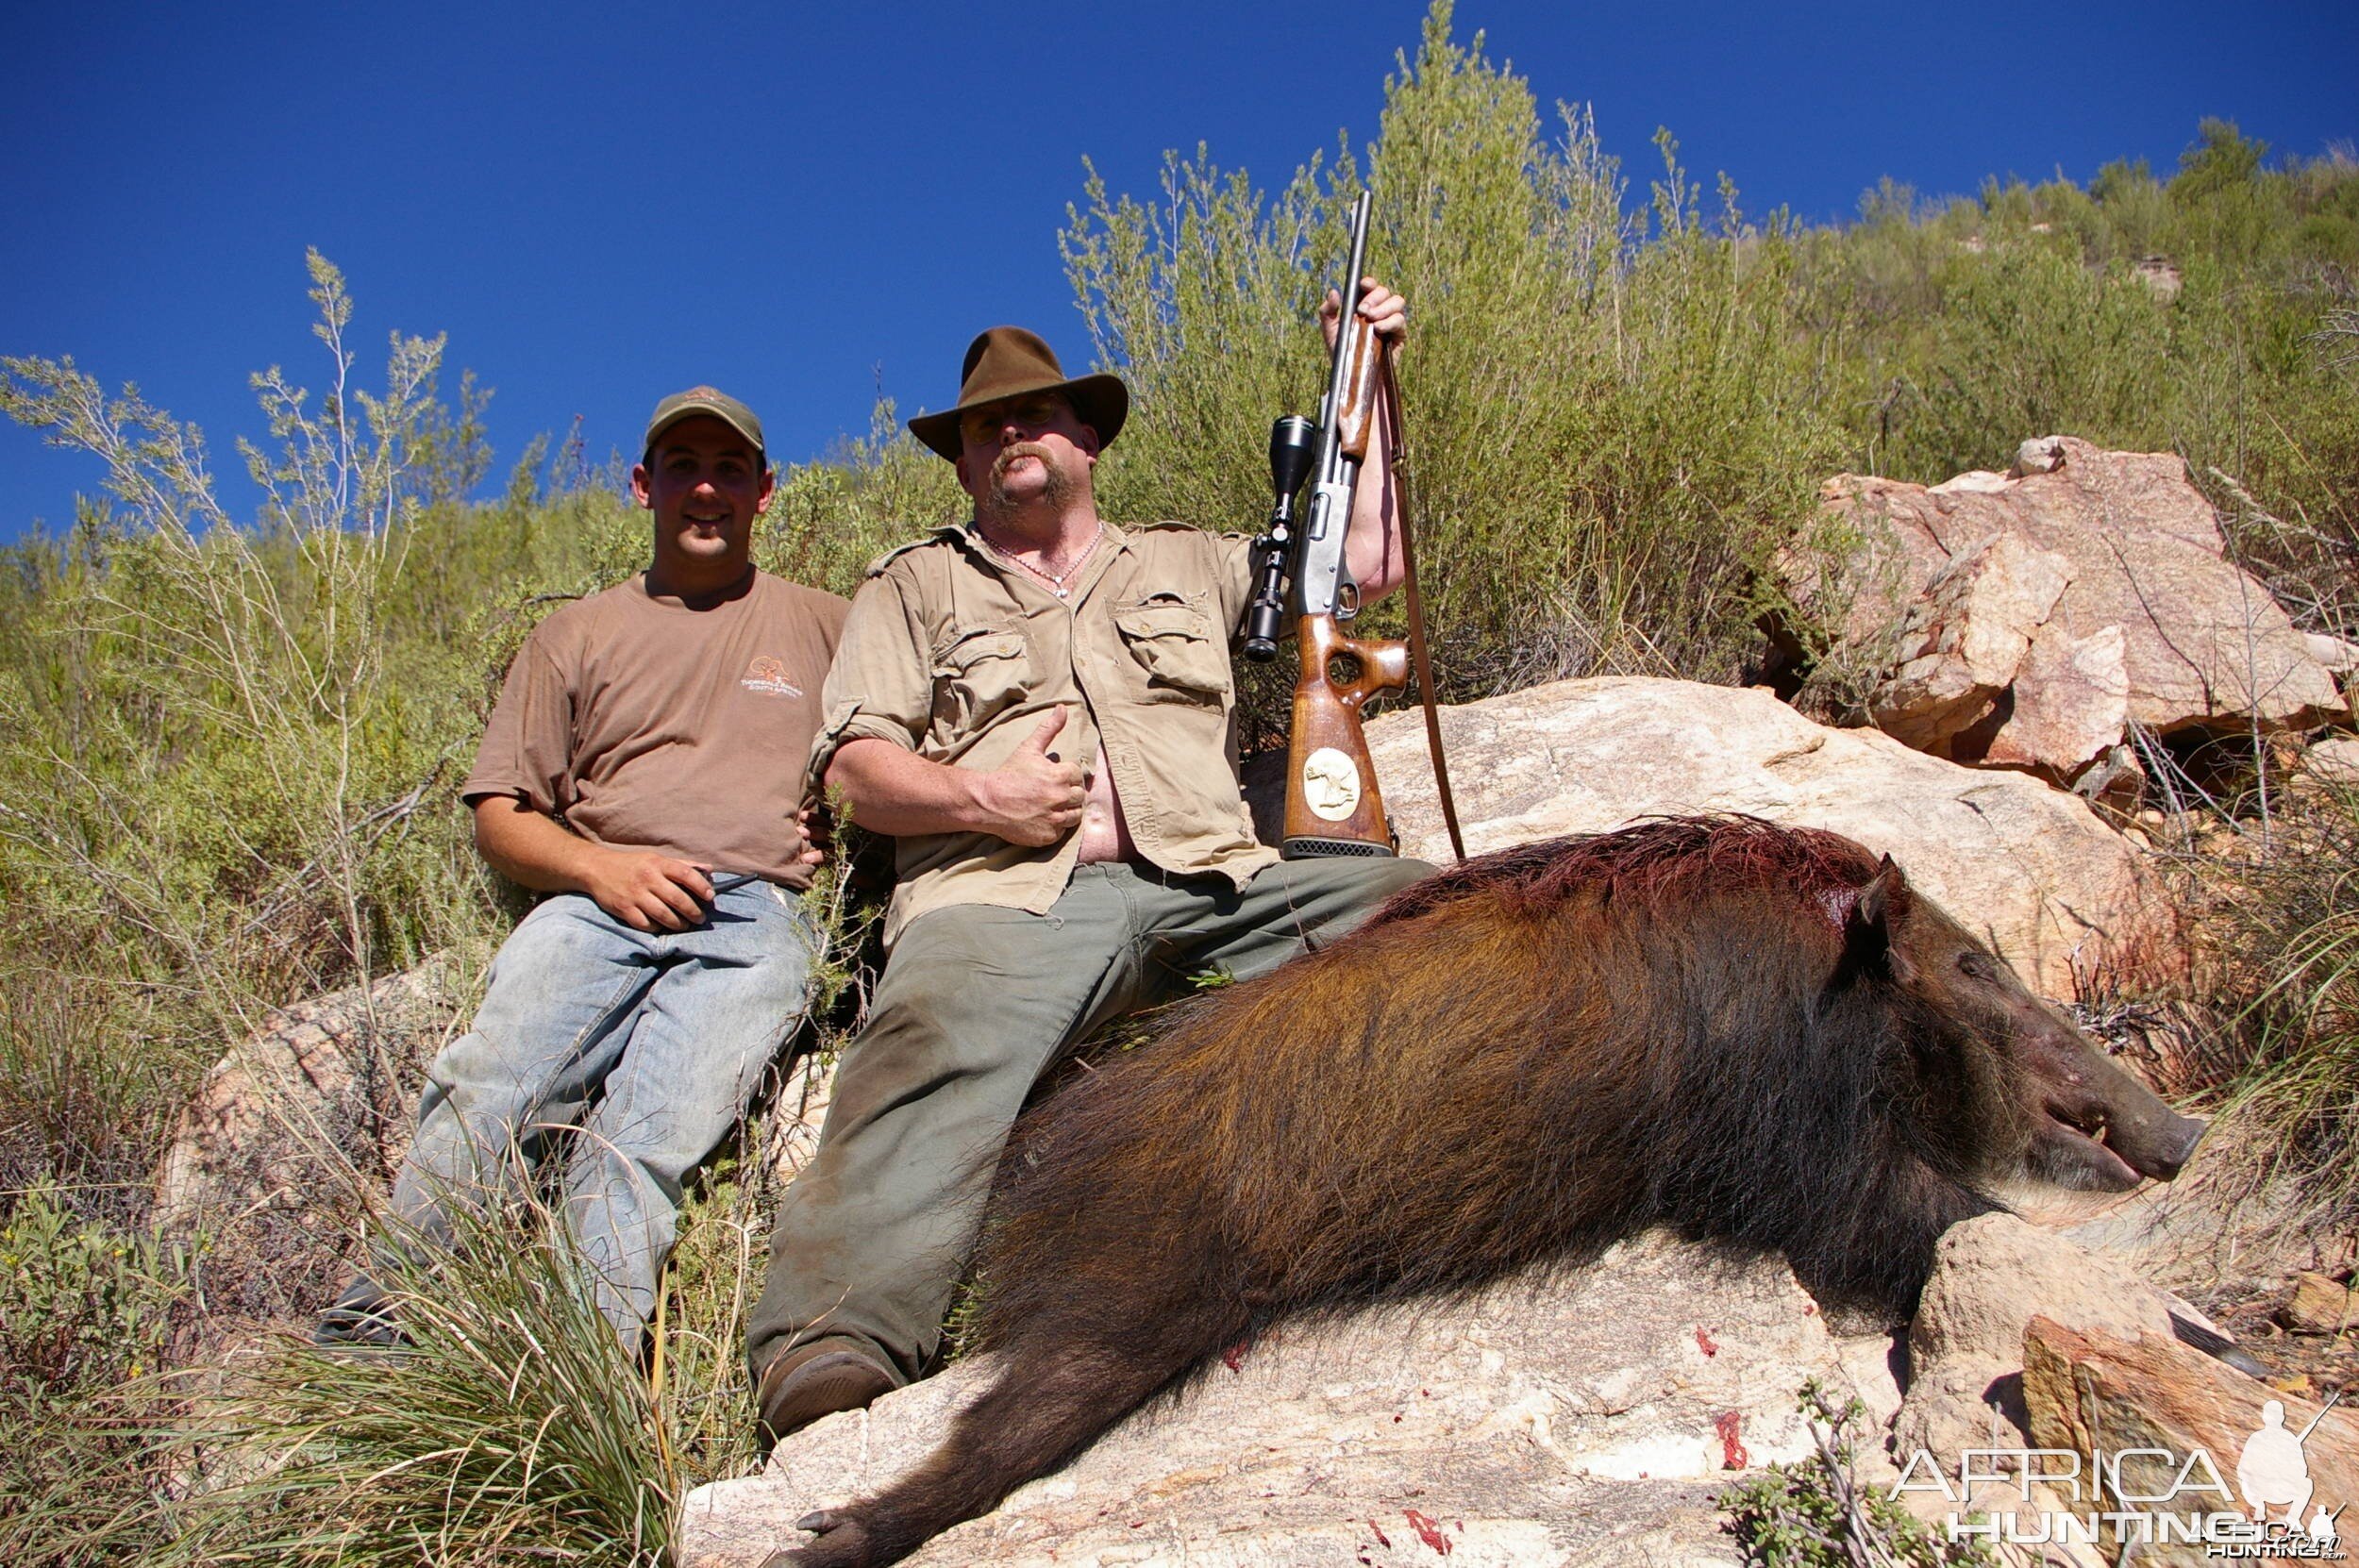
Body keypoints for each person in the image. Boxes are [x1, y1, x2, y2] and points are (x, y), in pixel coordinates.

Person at [744, 284, 1430, 1441]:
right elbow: (855, 770)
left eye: (1040, 414)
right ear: (962, 466)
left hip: (1220, 880)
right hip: (1003, 900)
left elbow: (1370, 566)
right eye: (984, 427)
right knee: (927, 1045)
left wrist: (1362, 382)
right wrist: (985, 797)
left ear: (1089, 438)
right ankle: (836, 1346)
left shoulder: (1195, 563)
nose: (1013, 433)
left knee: (1428, 920)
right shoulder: (914, 585)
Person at [318, 387, 851, 1347]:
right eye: (683, 467)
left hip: (758, 919)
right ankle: (374, 1342)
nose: (705, 488)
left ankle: (581, 1395)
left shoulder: (827, 625)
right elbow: (500, 815)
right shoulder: (575, 633)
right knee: (493, 1093)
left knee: (638, 1147)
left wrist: (847, 817)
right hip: (592, 906)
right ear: (644, 485)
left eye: (729, 469)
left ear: (765, 493)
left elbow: (896, 745)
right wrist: (601, 871)